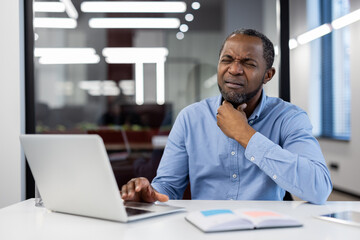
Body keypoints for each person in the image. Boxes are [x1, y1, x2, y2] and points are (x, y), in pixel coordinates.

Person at [121, 28, 333, 204]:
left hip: (265, 230)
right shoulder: (191, 118)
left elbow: (318, 188)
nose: (234, 69)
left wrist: (246, 135)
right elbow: (168, 188)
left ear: (268, 75)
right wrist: (149, 194)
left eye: (249, 63)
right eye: (227, 60)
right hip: (204, 228)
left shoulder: (289, 118)